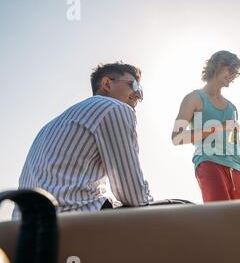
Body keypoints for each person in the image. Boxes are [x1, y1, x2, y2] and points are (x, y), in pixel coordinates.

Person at [14, 62, 153, 216]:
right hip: (75, 222)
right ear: (107, 83)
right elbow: (134, 195)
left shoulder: (49, 126)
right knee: (179, 208)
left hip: (25, 228)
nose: (138, 94)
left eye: (140, 90)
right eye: (133, 85)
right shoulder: (115, 108)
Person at [172, 51, 240, 202]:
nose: (233, 75)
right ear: (218, 65)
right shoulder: (193, 98)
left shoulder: (232, 108)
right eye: (231, 69)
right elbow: (177, 137)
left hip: (237, 171)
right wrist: (219, 127)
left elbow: (236, 144)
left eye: (236, 72)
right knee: (222, 219)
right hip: (209, 163)